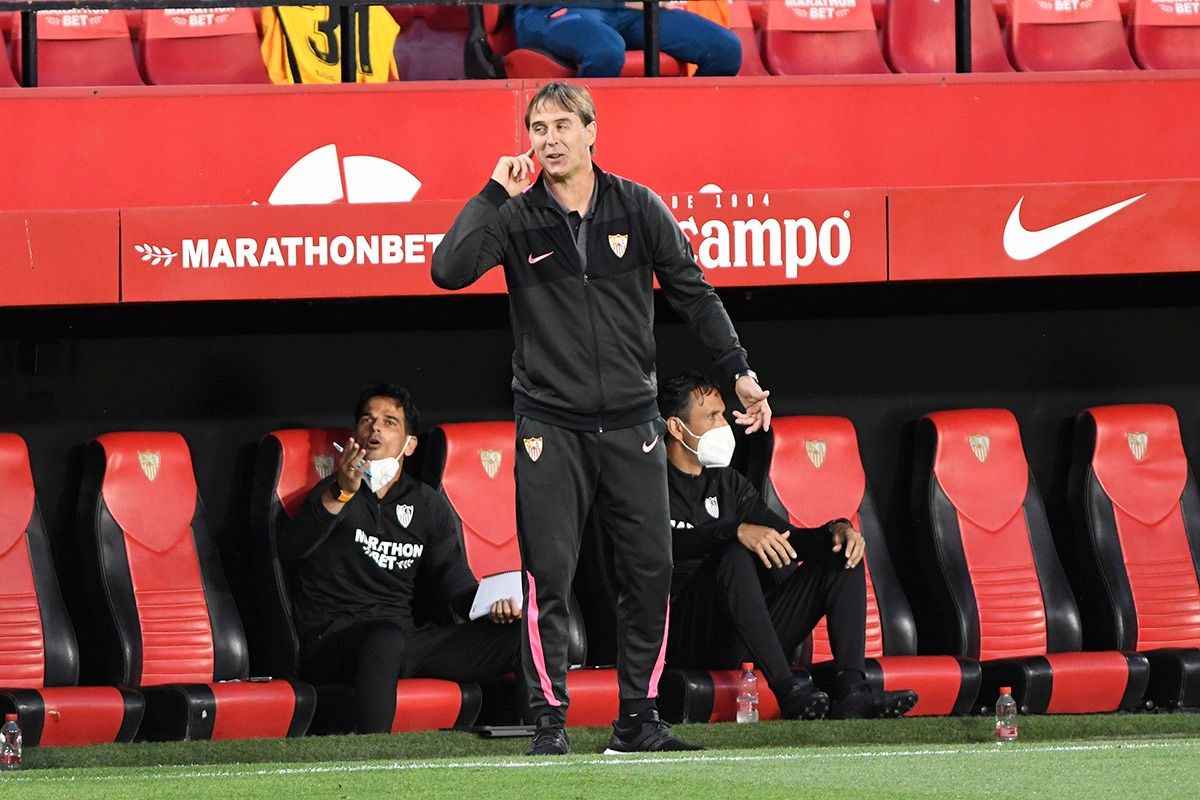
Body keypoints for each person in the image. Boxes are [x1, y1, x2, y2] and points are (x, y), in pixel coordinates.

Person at [432, 82, 770, 755]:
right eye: (537, 126)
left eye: (562, 124)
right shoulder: (514, 216)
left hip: (633, 423)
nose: (548, 138)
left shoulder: (637, 206)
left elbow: (694, 294)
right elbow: (448, 269)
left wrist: (737, 370)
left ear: (592, 131)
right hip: (548, 428)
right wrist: (491, 193)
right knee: (547, 579)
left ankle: (637, 721)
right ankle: (549, 723)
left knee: (650, 571)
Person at [658, 370, 919, 720]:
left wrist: (834, 530)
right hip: (684, 636)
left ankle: (852, 691)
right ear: (677, 428)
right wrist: (732, 532)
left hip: (742, 632)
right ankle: (788, 691)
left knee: (841, 554)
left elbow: (788, 540)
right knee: (734, 555)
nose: (723, 425)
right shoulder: (650, 485)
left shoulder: (729, 483)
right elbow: (658, 546)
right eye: (712, 417)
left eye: (723, 414)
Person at [277, 383, 521, 734]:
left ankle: (543, 740)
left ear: (410, 444)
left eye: (389, 422)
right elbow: (290, 549)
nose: (375, 428)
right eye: (367, 420)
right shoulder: (334, 492)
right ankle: (374, 759)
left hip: (402, 641)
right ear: (354, 435)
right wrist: (342, 491)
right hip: (333, 641)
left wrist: (495, 606)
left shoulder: (427, 505)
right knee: (384, 638)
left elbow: (457, 585)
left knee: (523, 634)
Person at [514, 3, 740, 77]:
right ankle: (584, 138)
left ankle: (687, 128)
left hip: (632, 10)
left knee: (725, 48)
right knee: (605, 51)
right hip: (552, 9)